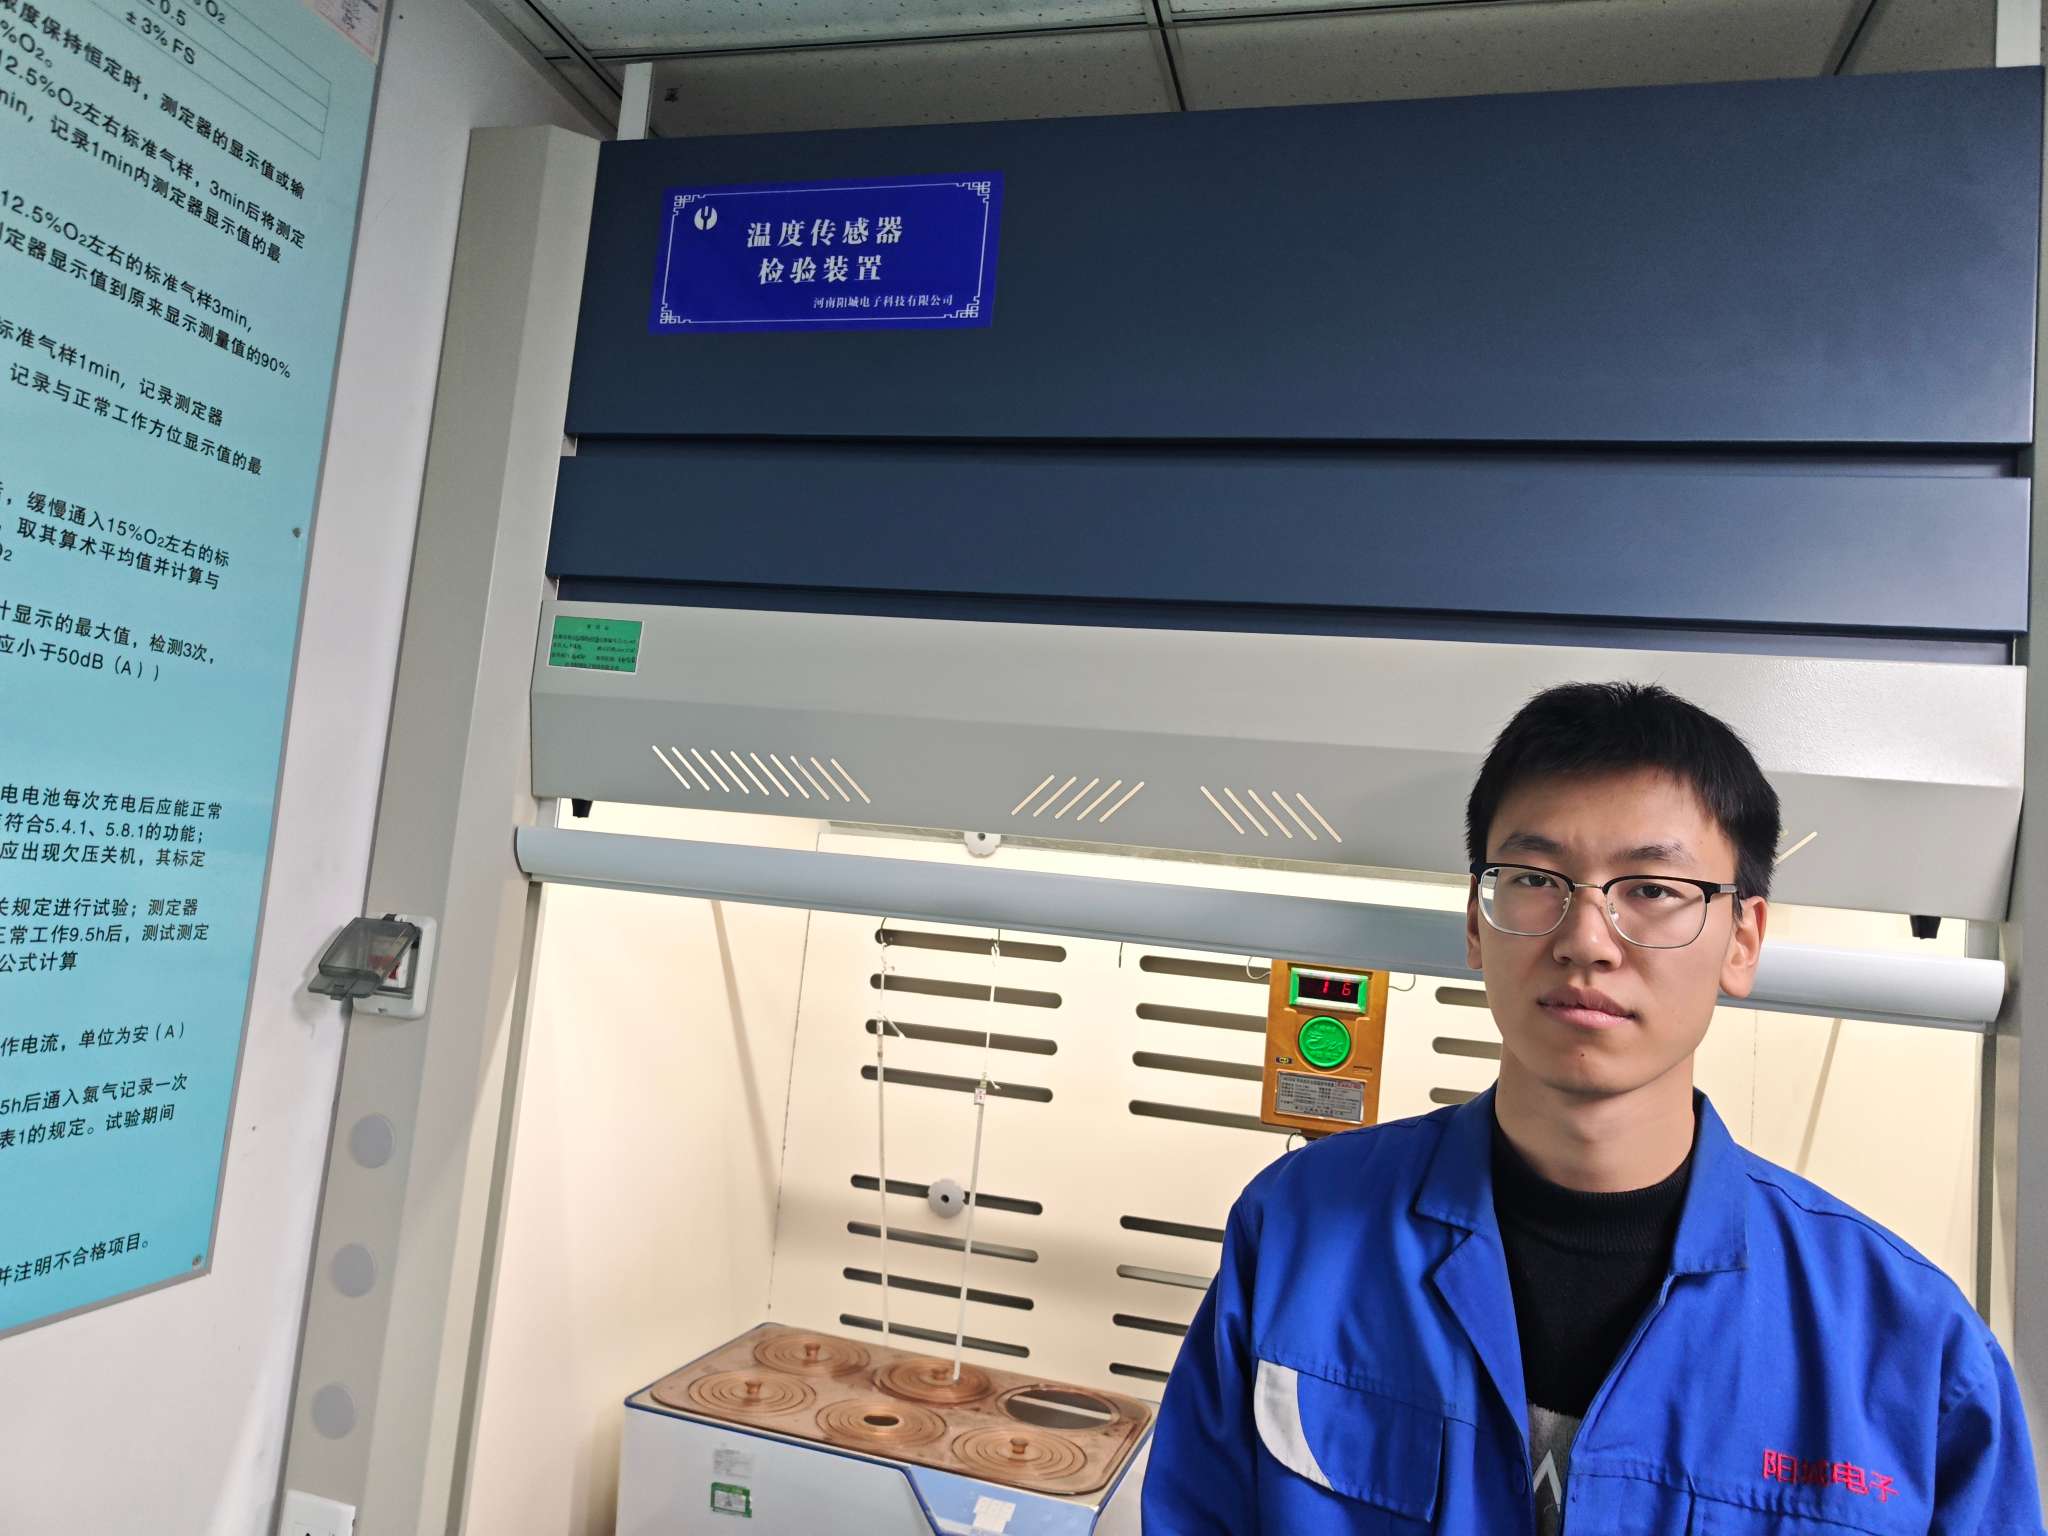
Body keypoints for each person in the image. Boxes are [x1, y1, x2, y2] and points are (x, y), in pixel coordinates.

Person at [1143, 681, 2044, 1534]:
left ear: (1743, 939)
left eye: (1651, 890)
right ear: (1475, 921)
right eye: (1536, 879)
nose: (1585, 940)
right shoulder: (1294, 1232)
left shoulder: (1913, 1355)